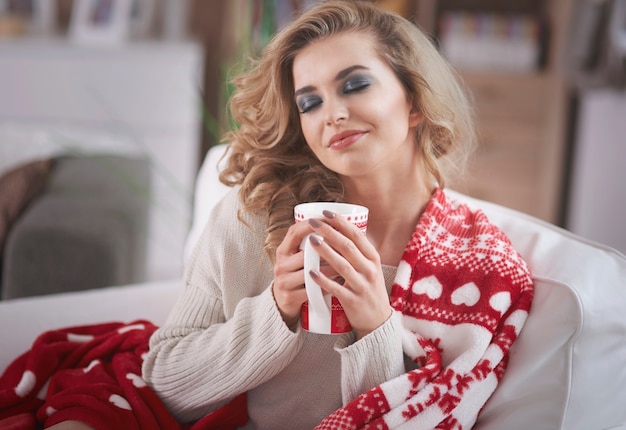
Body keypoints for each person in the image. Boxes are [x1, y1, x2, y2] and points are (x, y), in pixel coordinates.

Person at [142, 1, 534, 429]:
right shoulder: (251, 217)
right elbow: (165, 384)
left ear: (415, 100)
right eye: (310, 102)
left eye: (355, 84)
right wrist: (277, 309)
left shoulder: (476, 268)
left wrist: (376, 326)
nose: (332, 114)